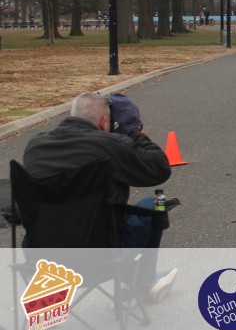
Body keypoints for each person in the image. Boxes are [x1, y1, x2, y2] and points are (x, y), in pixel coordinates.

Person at [21, 92, 177, 302]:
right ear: (104, 121)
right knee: (155, 204)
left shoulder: (36, 146)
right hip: (101, 260)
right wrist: (133, 131)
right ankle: (143, 281)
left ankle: (135, 278)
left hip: (42, 259)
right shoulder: (110, 145)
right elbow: (159, 169)